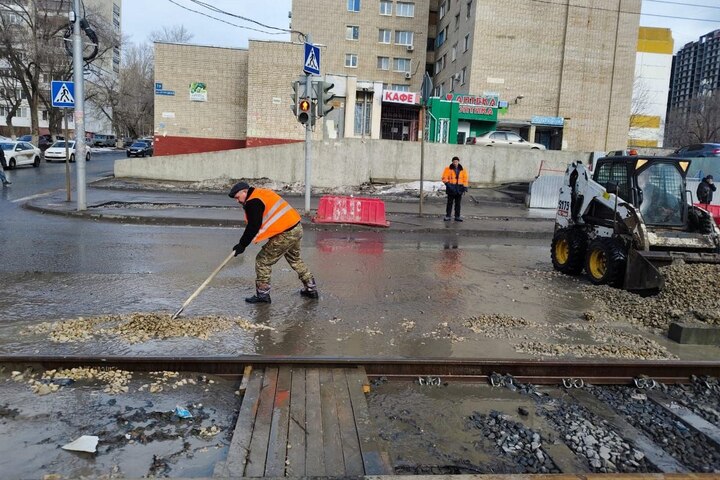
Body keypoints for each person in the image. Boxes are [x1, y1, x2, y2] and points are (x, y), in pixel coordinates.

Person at [228, 181, 318, 303]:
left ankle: (263, 295)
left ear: (245, 191)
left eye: (237, 197)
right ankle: (311, 289)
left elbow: (253, 226)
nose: (237, 201)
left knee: (262, 261)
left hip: (285, 233)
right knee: (295, 259)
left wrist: (242, 245)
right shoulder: (261, 193)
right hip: (296, 228)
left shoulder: (253, 201)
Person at [441, 156, 468, 221]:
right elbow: (444, 177)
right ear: (452, 162)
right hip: (451, 188)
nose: (455, 163)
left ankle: (457, 216)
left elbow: (465, 179)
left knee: (458, 204)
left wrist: (465, 187)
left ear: (458, 162)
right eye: (454, 162)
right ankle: (448, 216)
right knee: (449, 203)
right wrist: (448, 184)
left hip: (459, 188)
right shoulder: (448, 169)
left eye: (456, 161)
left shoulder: (463, 169)